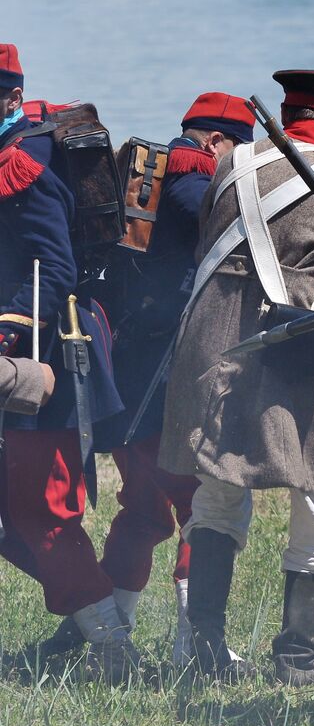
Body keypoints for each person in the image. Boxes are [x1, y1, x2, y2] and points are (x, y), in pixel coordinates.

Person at [159, 69, 314, 684]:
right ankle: (299, 655)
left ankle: (204, 648)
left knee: (219, 491)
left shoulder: (233, 164)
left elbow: (211, 245)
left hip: (210, 338)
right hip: (286, 344)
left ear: (287, 110)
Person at [39, 94, 259, 666]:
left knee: (142, 510)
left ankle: (107, 632)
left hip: (134, 366)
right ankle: (192, 644)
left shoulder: (151, 171)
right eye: (238, 147)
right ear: (215, 141)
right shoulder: (192, 176)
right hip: (165, 375)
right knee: (195, 504)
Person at [0, 43, 134, 681]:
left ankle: (115, 650)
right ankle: (96, 612)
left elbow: (50, 273)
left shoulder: (23, 167)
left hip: (36, 358)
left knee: (42, 510)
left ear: (10, 97)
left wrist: (5, 338)